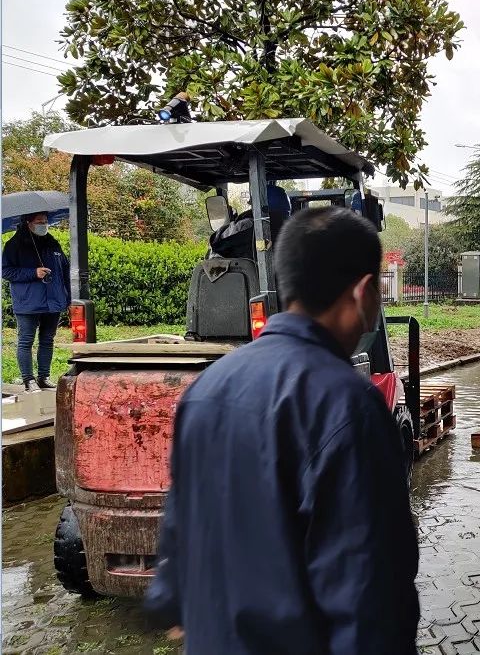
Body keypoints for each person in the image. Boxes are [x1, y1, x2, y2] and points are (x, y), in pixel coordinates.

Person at [146, 207, 419, 654]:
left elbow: (178, 531)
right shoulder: (348, 406)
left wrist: (171, 600)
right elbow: (372, 596)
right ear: (364, 293)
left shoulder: (205, 389)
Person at [1, 213, 70, 392]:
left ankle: (43, 377)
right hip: (28, 302)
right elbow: (6, 272)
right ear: (28, 223)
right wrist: (33, 273)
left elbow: (65, 270)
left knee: (47, 339)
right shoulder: (14, 245)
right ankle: (28, 379)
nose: (44, 225)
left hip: (53, 301)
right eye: (39, 222)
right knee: (26, 340)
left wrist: (67, 298)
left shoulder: (53, 243)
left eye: (46, 222)